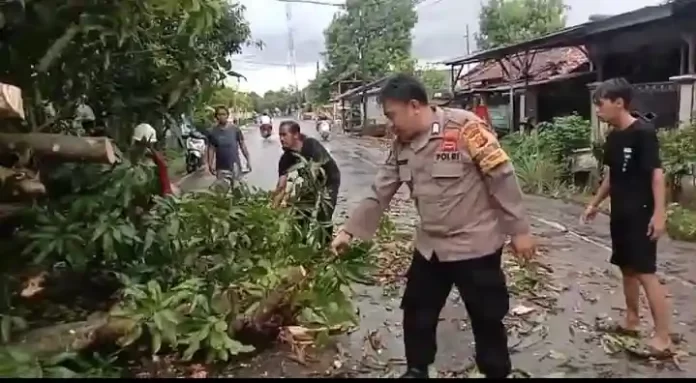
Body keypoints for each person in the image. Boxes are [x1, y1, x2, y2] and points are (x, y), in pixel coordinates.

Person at [330, 73, 535, 379]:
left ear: (414, 105)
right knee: (416, 313)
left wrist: (519, 231)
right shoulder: (401, 145)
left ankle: (496, 372)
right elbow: (380, 191)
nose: (390, 124)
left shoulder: (466, 128)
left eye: (392, 115)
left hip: (475, 246)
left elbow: (502, 176)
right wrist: (348, 231)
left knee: (486, 318)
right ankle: (417, 369)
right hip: (431, 248)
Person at [581, 78, 672, 356]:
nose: (597, 110)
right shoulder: (614, 137)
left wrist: (659, 214)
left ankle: (663, 338)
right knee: (627, 269)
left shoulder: (643, 133)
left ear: (619, 103)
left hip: (641, 213)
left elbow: (657, 175)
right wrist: (594, 203)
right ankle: (632, 320)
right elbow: (612, 174)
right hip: (620, 213)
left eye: (601, 104)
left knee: (646, 273)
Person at [273, 120, 341, 246]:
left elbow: (315, 170)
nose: (281, 139)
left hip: (329, 181)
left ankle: (326, 247)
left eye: (284, 135)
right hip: (309, 184)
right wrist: (273, 207)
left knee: (324, 214)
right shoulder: (286, 158)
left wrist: (292, 197)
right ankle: (301, 247)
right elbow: (281, 185)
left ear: (296, 135)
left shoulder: (311, 145)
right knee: (301, 214)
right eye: (280, 135)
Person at [206, 106, 251, 184]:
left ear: (227, 115)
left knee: (237, 190)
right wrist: (210, 164)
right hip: (221, 168)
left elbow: (242, 145)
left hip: (235, 166)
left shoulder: (235, 129)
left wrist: (248, 160)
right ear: (216, 116)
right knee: (222, 192)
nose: (222, 116)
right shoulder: (213, 132)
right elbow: (211, 148)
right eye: (219, 114)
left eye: (224, 114)